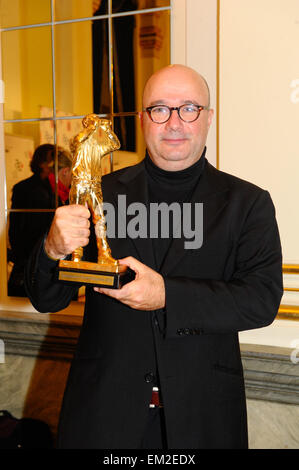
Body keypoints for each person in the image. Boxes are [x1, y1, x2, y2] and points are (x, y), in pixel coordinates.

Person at [25, 65, 283, 449]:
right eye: (160, 109)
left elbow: (260, 301)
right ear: (143, 119)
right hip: (104, 417)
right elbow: (46, 298)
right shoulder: (101, 194)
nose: (174, 122)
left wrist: (167, 295)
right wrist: (51, 249)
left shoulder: (247, 204)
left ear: (208, 118)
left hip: (203, 416)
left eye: (189, 108)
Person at [8, 144, 72, 297]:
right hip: (38, 273)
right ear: (64, 171)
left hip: (26, 269)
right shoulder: (48, 195)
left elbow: (15, 233)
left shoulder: (23, 188)